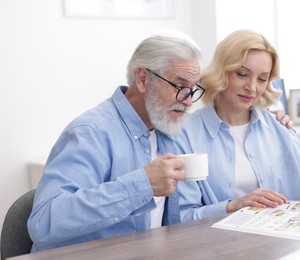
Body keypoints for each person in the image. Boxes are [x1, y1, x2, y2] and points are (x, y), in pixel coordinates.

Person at [27, 30, 204, 251]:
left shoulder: (167, 129)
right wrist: (143, 184)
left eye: (193, 89)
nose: (188, 102)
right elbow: (44, 223)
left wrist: (230, 207)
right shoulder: (91, 132)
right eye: (180, 87)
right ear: (142, 79)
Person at [174, 29, 300, 222]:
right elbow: (182, 216)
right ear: (222, 71)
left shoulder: (278, 127)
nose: (252, 88)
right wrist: (234, 206)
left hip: (281, 240)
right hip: (221, 246)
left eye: (262, 79)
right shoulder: (185, 134)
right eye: (243, 74)